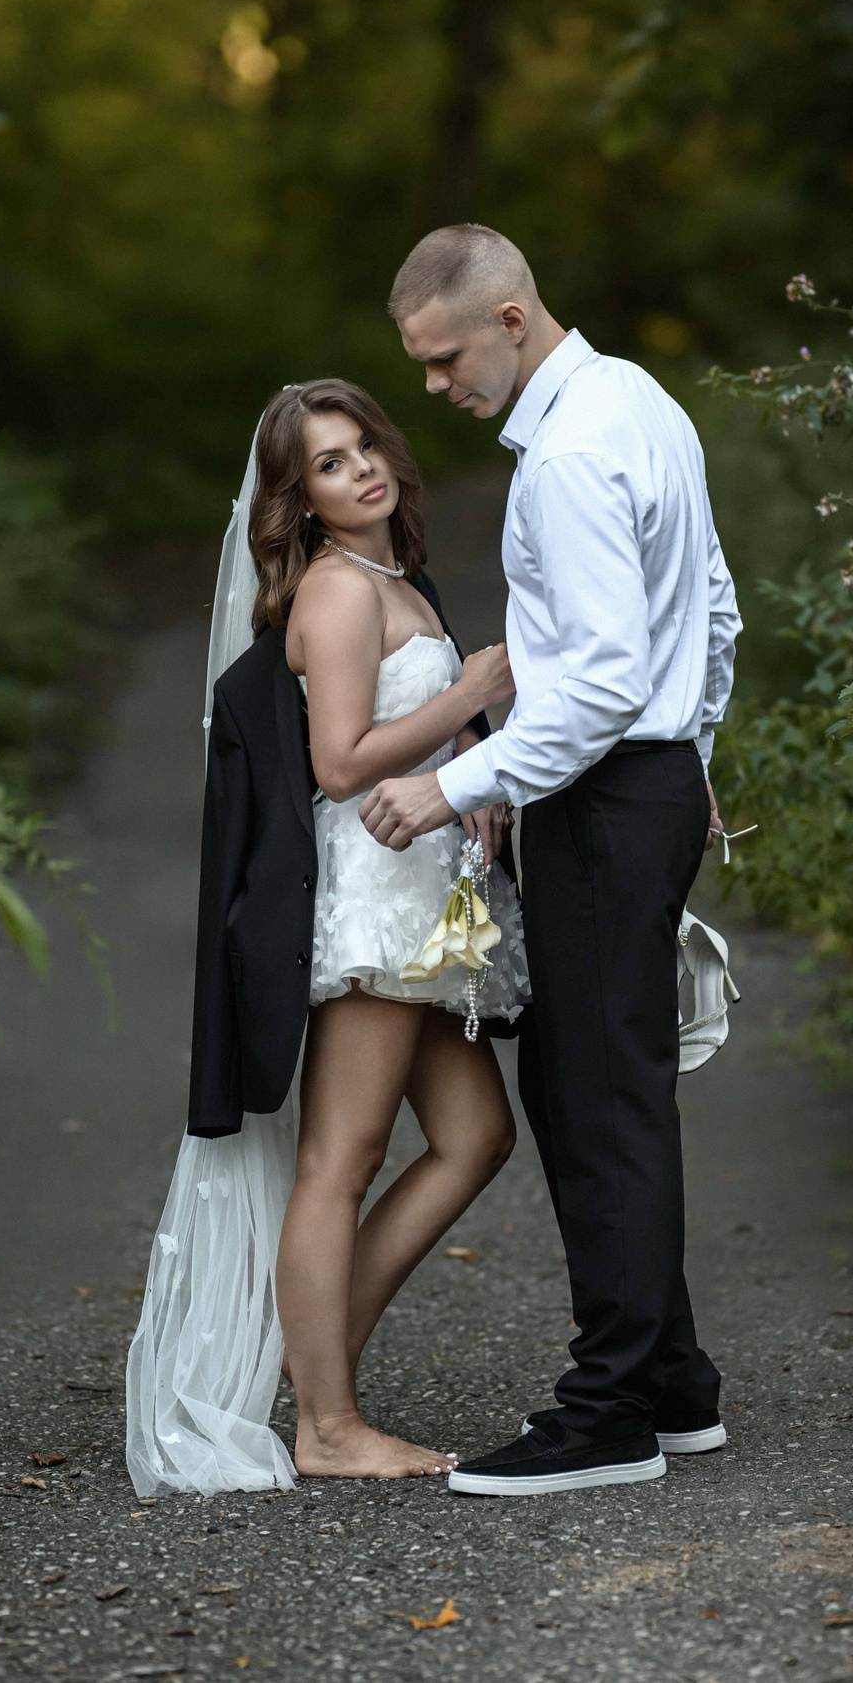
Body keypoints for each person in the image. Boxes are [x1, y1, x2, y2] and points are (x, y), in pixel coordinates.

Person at [362, 224, 742, 1497]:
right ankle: (673, 1384)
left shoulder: (572, 453)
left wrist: (454, 784)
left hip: (603, 796)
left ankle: (610, 1413)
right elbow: (715, 613)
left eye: (443, 356)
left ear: (512, 317)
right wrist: (687, 752)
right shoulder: (641, 401)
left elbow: (601, 680)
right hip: (639, 786)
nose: (432, 386)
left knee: (596, 1100)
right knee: (602, 1086)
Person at [126, 378, 528, 1493]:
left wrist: (472, 782)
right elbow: (342, 764)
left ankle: (312, 1368)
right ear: (297, 501)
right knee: (338, 1160)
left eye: (363, 447)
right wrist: (471, 696)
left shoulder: (397, 580)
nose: (359, 469)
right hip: (371, 903)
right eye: (327, 463)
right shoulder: (340, 593)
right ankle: (327, 1424)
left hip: (423, 906)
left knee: (475, 1138)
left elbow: (405, 761)